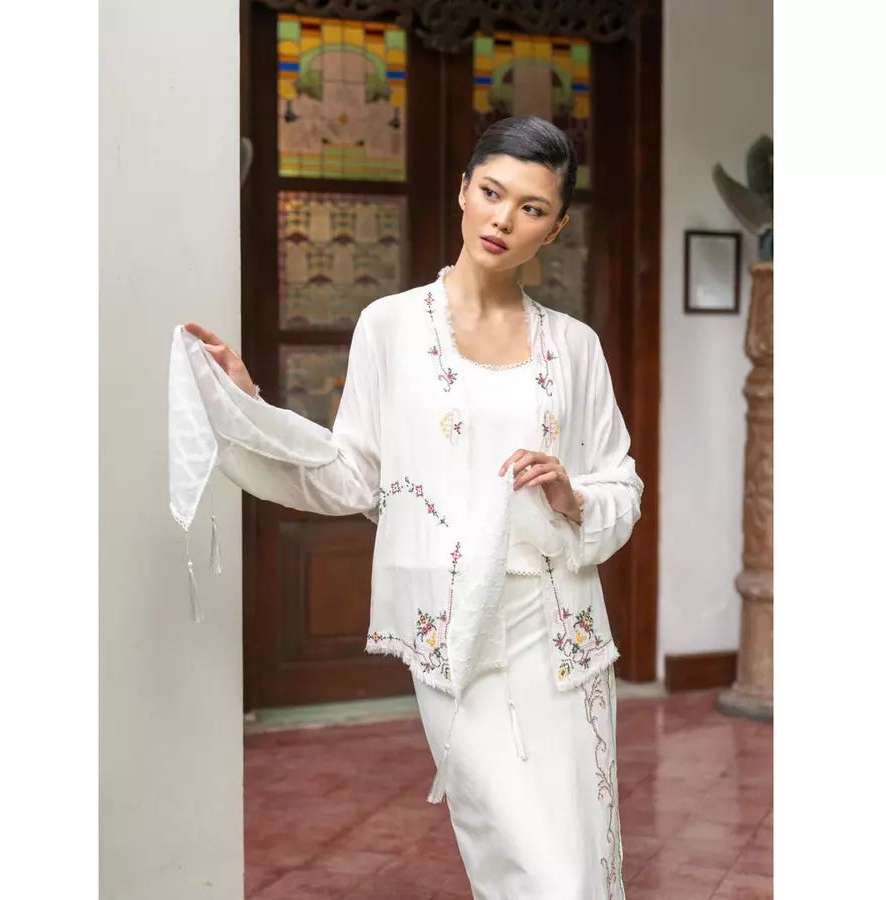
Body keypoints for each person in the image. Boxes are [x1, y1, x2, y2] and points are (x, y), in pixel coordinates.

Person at [170, 115, 642, 899]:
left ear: (555, 229)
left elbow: (619, 483)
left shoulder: (575, 347)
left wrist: (573, 491)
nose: (502, 218)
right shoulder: (388, 326)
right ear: (463, 191)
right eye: (491, 192)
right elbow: (355, 474)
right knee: (518, 856)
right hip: (455, 632)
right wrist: (247, 405)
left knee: (579, 859)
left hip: (558, 632)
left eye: (530, 208)